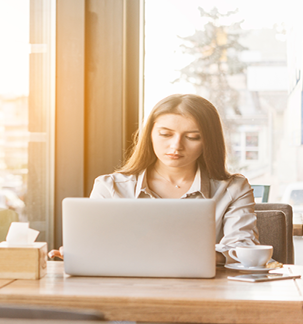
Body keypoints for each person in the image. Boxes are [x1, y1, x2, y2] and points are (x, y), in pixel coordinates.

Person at [49, 94, 259, 264]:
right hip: (125, 291)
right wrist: (81, 252)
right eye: (165, 134)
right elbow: (93, 243)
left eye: (192, 137)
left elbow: (242, 247)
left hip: (205, 293)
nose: (176, 146)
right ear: (149, 135)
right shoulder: (110, 187)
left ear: (208, 141)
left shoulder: (233, 189)